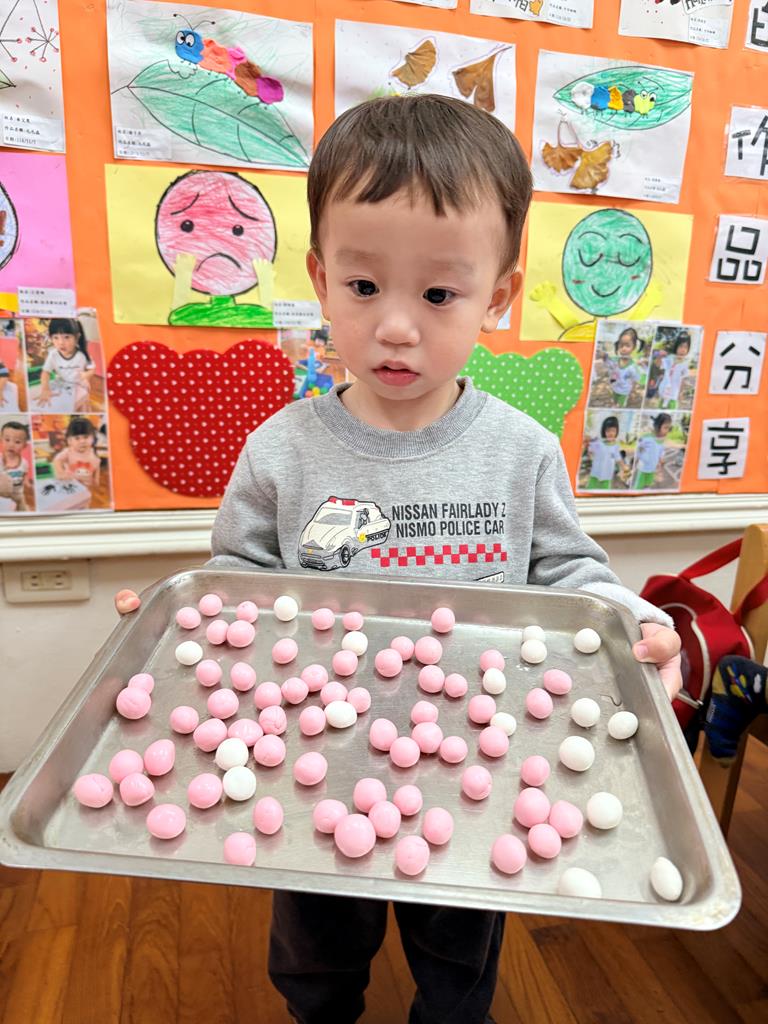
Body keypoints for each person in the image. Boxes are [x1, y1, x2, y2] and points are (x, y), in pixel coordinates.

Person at [115, 95, 681, 1024]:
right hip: (311, 767)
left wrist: (640, 622)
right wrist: (183, 621)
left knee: (459, 963)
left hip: (478, 773)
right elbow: (240, 588)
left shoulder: (523, 452)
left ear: (498, 296)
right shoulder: (280, 451)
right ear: (320, 278)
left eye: (439, 295)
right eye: (364, 285)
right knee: (315, 952)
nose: (397, 327)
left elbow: (572, 578)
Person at [36, 318, 94, 412]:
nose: (61, 343)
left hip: (79, 384)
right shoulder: (53, 354)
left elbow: (92, 369)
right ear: (51, 338)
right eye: (56, 337)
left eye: (66, 337)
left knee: (76, 405)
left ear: (77, 337)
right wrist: (45, 389)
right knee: (47, 403)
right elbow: (45, 372)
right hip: (62, 382)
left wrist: (86, 375)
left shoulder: (82, 355)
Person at [52, 416, 100, 495]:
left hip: (86, 487)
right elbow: (57, 460)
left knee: (84, 500)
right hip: (70, 485)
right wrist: (61, 472)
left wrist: (96, 479)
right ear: (69, 441)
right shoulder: (69, 451)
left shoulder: (92, 451)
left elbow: (96, 465)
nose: (82, 441)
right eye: (77, 438)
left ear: (93, 438)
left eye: (86, 437)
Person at [601, 327, 643, 407]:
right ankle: (614, 405)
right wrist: (604, 358)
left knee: (620, 405)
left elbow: (637, 378)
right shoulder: (615, 360)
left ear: (633, 347)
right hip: (615, 388)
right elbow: (608, 364)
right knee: (614, 402)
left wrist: (638, 366)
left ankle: (618, 407)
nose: (623, 348)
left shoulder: (632, 366)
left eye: (627, 345)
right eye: (621, 345)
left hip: (624, 391)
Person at [584, 415, 624, 490]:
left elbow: (618, 459)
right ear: (604, 431)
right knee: (590, 489)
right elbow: (590, 451)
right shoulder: (599, 443)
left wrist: (624, 467)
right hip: (595, 473)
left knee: (604, 491)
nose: (611, 433)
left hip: (607, 475)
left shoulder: (615, 446)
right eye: (608, 431)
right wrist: (589, 450)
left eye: (613, 431)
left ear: (616, 432)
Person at [634, 413, 672, 490]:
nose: (667, 431)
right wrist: (640, 459)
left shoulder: (661, 441)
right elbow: (639, 448)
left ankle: (646, 491)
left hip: (652, 468)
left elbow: (661, 451)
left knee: (648, 484)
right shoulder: (647, 437)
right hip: (643, 468)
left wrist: (661, 460)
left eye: (669, 428)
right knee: (638, 486)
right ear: (657, 426)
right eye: (665, 428)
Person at [657, 332, 691, 410]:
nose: (683, 349)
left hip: (674, 394)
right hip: (664, 390)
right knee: (660, 408)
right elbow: (659, 364)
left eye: (686, 347)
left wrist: (681, 392)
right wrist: (660, 356)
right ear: (676, 347)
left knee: (671, 410)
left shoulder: (686, 363)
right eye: (681, 346)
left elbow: (684, 378)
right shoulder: (670, 358)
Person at [0, 419, 29, 510]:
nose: (11, 445)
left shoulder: (24, 463)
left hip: (18, 495)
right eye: (7, 440)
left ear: (24, 445)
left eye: (17, 442)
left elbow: (24, 476)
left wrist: (27, 483)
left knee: (23, 508)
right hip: (2, 495)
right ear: (1, 440)